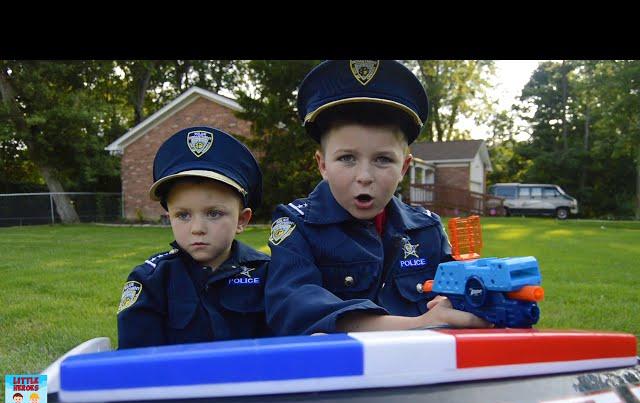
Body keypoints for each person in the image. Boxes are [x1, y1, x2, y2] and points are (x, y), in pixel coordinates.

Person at [265, 60, 491, 335]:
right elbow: (293, 308)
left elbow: (456, 293)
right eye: (347, 158)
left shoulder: (426, 230)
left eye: (383, 159)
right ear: (322, 164)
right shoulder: (297, 226)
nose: (364, 176)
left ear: (404, 168)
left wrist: (468, 299)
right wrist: (417, 324)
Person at [117, 126, 271, 349]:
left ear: (242, 220)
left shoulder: (267, 274)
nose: (197, 228)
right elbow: (134, 362)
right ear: (169, 216)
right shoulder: (151, 280)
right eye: (183, 215)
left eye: (214, 213)